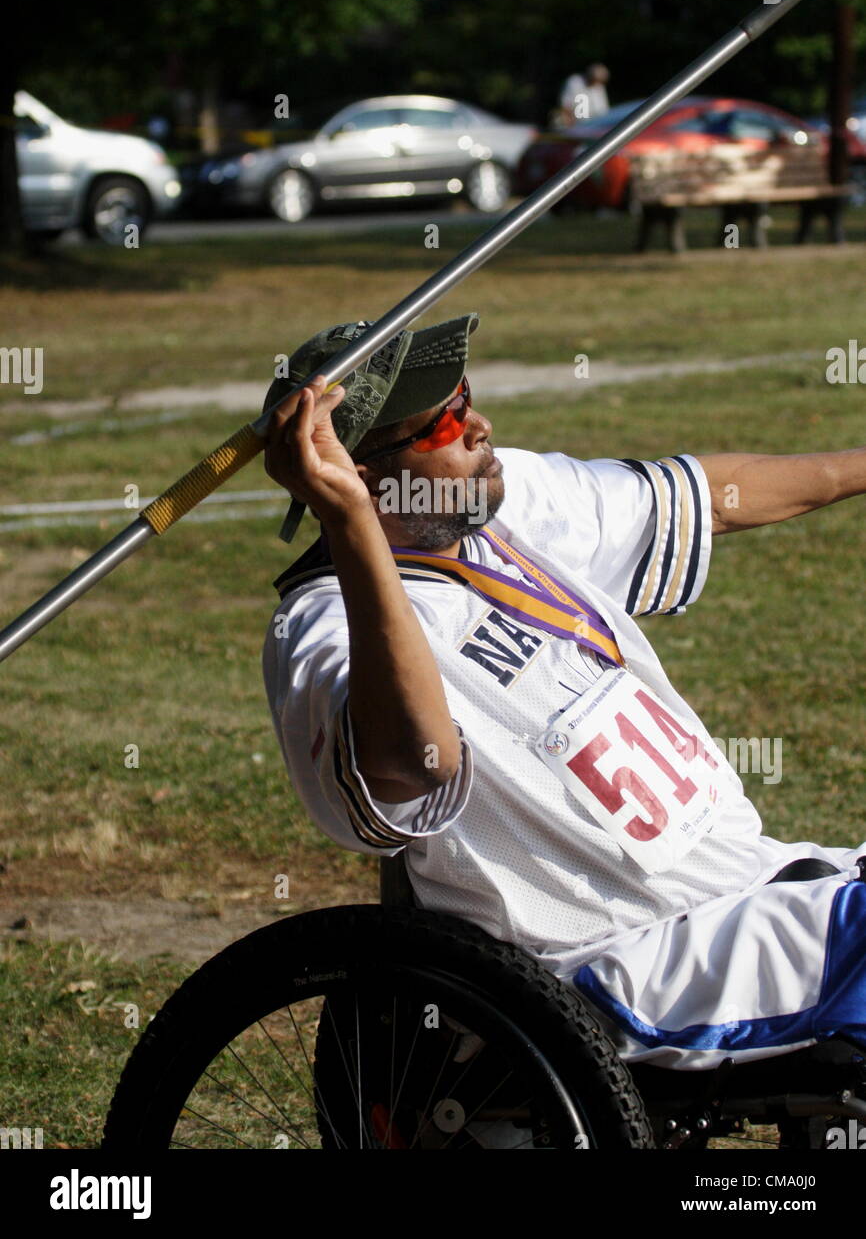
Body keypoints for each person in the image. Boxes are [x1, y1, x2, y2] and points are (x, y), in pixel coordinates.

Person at [260, 314, 866, 1074]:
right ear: (362, 474)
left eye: (467, 396)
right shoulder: (322, 625)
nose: (479, 425)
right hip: (639, 959)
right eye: (443, 421)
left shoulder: (500, 509)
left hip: (758, 884)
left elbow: (706, 497)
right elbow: (415, 765)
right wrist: (350, 523)